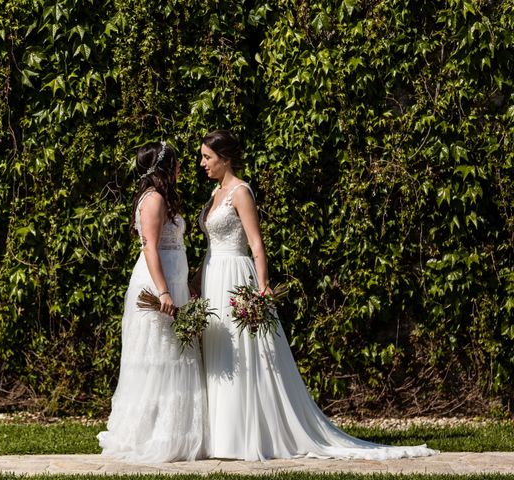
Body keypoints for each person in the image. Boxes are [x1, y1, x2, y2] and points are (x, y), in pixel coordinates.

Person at [197, 129, 436, 461]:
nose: (202, 163)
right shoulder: (214, 192)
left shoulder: (240, 192)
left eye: (207, 157)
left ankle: (247, 434)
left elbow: (256, 243)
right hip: (213, 275)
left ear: (225, 158)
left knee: (244, 353)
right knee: (220, 353)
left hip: (236, 276)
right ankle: (221, 436)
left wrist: (261, 287)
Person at [98, 141, 207, 463]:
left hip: (173, 280)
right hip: (157, 283)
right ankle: (151, 435)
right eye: (176, 163)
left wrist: (183, 285)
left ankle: (173, 431)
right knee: (159, 356)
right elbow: (150, 249)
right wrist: (163, 291)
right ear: (163, 167)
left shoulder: (163, 199)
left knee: (175, 353)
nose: (180, 168)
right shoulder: (154, 199)